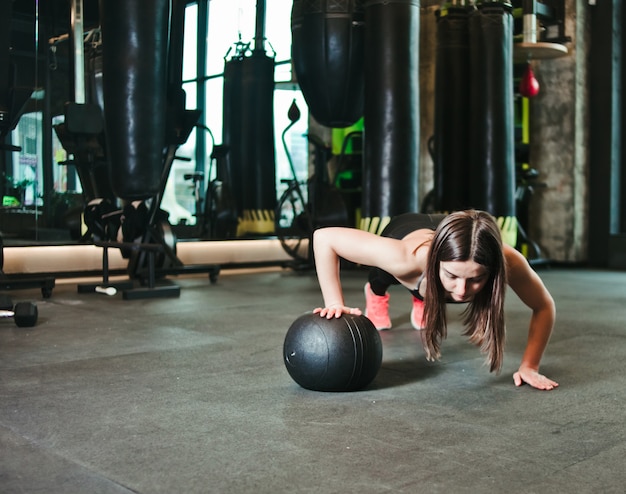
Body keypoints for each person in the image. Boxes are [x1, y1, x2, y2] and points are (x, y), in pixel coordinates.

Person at [312, 210, 558, 391]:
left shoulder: (507, 262)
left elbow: (543, 305)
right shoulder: (405, 257)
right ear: (435, 265)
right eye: (451, 276)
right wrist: (334, 303)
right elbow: (325, 238)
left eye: (476, 279)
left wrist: (530, 366)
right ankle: (378, 292)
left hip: (447, 232)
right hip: (406, 230)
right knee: (383, 276)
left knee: (433, 287)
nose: (462, 291)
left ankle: (425, 298)